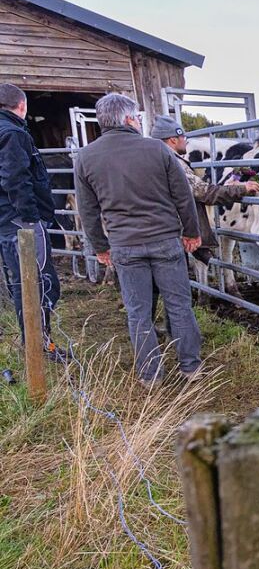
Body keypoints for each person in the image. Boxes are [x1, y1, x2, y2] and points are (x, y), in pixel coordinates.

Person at [74, 94, 203, 386]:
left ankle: (150, 375)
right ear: (130, 119)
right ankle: (191, 367)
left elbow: (88, 210)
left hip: (124, 246)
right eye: (138, 117)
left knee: (138, 313)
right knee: (179, 305)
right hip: (165, 240)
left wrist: (100, 246)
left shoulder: (86, 157)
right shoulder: (158, 149)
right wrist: (192, 232)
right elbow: (183, 196)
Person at [0, 83, 62, 357]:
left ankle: (32, 343)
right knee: (42, 283)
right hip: (19, 223)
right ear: (22, 106)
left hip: (5, 221)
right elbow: (16, 178)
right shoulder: (12, 133)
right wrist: (31, 219)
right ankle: (40, 345)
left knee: (21, 283)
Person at [150, 115, 259, 268]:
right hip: (169, 235)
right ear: (173, 140)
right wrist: (241, 188)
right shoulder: (173, 162)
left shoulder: (148, 160)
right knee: (175, 286)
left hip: (150, 232)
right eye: (183, 136)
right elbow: (204, 192)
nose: (186, 140)